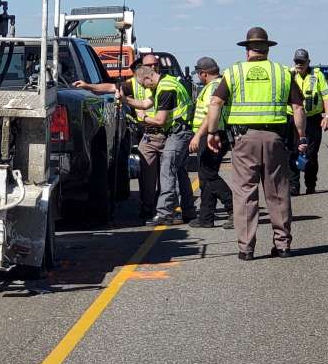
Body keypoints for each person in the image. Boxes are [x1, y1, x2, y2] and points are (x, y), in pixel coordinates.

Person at [198, 27, 306, 260]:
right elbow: (298, 108)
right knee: (277, 192)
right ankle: (283, 245)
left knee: (245, 193)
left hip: (244, 139)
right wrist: (301, 136)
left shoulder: (234, 72)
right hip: (275, 139)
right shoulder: (282, 72)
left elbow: (215, 103)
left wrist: (213, 133)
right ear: (267, 49)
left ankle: (246, 248)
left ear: (247, 49)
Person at [73, 54, 166, 222]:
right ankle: (149, 208)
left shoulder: (166, 83)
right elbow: (111, 87)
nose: (152, 68)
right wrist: (88, 86)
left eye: (155, 64)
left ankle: (172, 209)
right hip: (149, 134)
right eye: (148, 65)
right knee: (148, 175)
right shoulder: (134, 84)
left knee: (169, 175)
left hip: (169, 133)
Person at [119, 62, 195, 226]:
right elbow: (146, 104)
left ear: (147, 78)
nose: (145, 88)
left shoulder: (165, 89)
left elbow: (160, 121)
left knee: (167, 170)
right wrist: (126, 100)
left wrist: (144, 118)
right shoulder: (166, 81)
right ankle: (189, 211)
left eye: (143, 84)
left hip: (178, 132)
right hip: (182, 131)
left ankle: (165, 213)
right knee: (180, 172)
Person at [187, 57, 234, 229]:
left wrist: (198, 135)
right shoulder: (216, 85)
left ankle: (234, 209)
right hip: (211, 134)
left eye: (199, 74)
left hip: (212, 135)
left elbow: (210, 115)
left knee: (208, 175)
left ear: (203, 73)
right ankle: (206, 217)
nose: (198, 77)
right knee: (205, 176)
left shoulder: (214, 87)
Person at [289, 49, 328, 196]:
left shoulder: (317, 75)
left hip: (313, 119)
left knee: (311, 154)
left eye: (302, 62)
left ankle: (310, 184)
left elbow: (326, 96)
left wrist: (327, 116)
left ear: (308, 62)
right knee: (292, 152)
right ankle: (294, 186)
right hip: (292, 118)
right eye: (297, 62)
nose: (299, 64)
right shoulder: (289, 75)